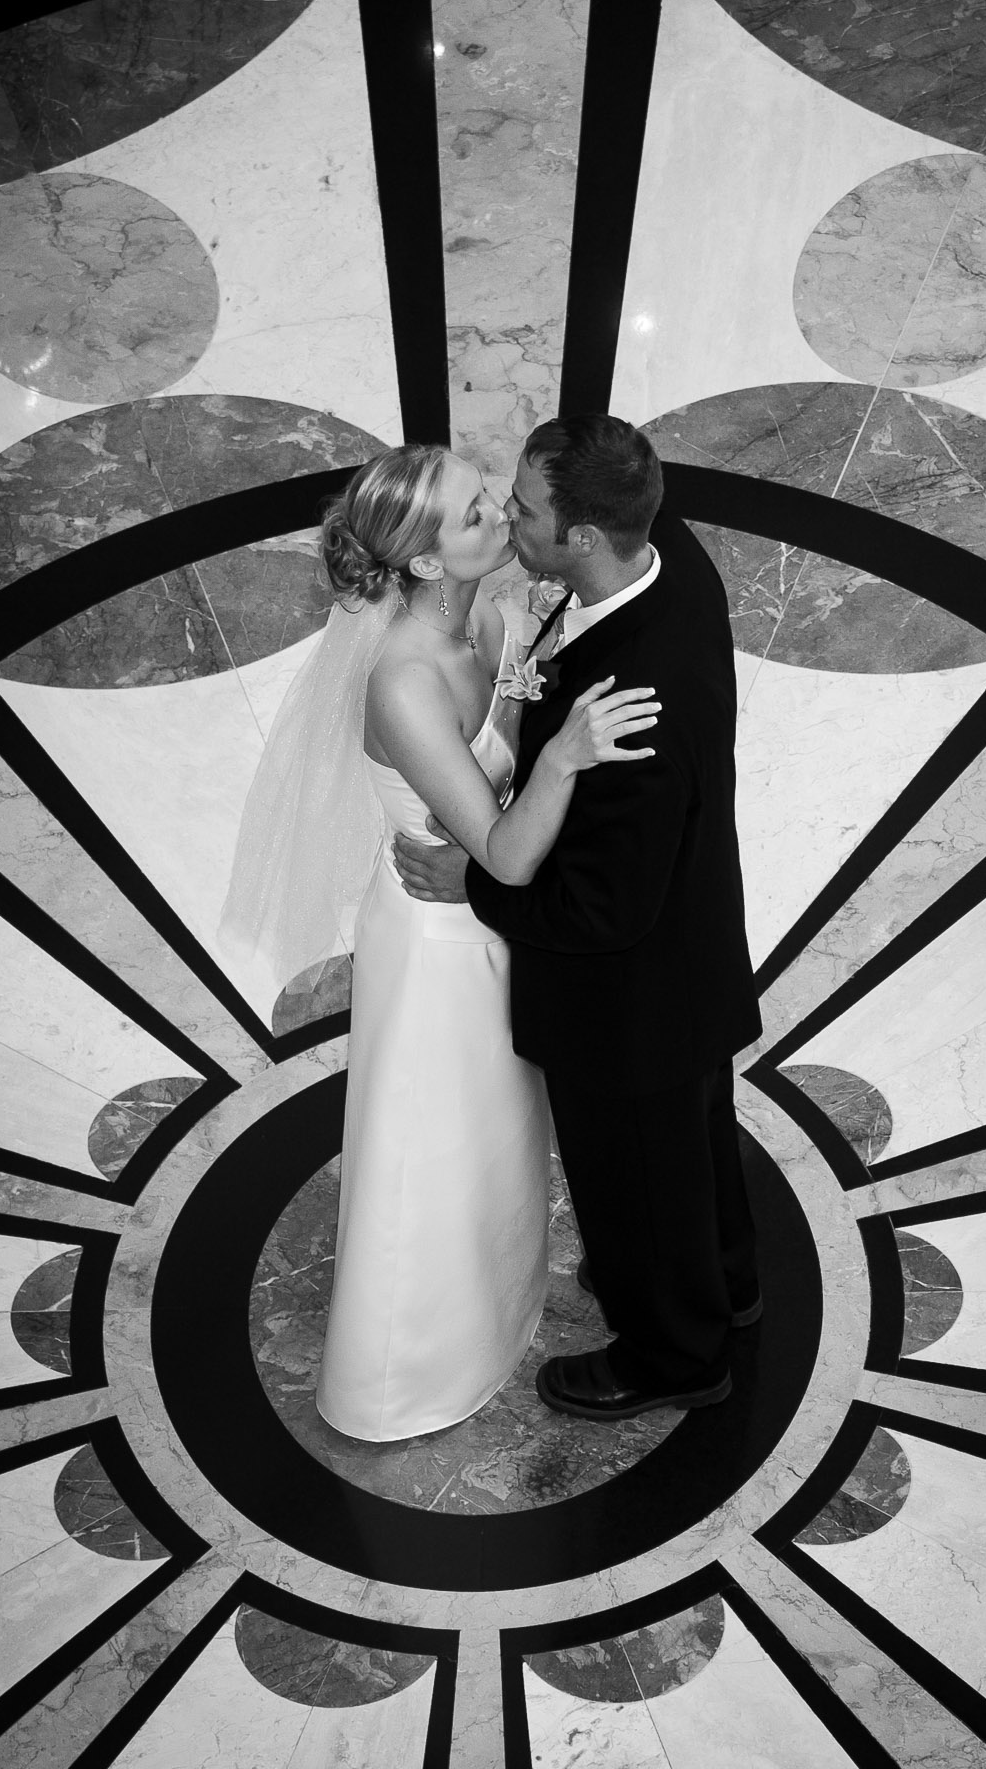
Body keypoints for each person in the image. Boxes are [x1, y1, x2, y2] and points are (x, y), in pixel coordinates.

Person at [220, 443, 660, 1442]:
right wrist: (568, 754)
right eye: (475, 515)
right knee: (428, 1144)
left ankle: (497, 1307)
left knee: (497, 1129)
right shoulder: (403, 683)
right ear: (422, 563)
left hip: (490, 929)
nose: (504, 517)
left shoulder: (495, 614)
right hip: (433, 939)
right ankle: (401, 1371)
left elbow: (498, 761)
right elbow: (503, 851)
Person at [394, 413, 763, 1420]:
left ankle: (677, 1354)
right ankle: (726, 1282)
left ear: (583, 538)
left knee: (635, 1180)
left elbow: (597, 909)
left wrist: (462, 881)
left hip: (629, 994)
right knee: (694, 1147)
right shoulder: (664, 554)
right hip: (693, 945)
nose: (510, 515)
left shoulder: (636, 710)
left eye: (525, 507)